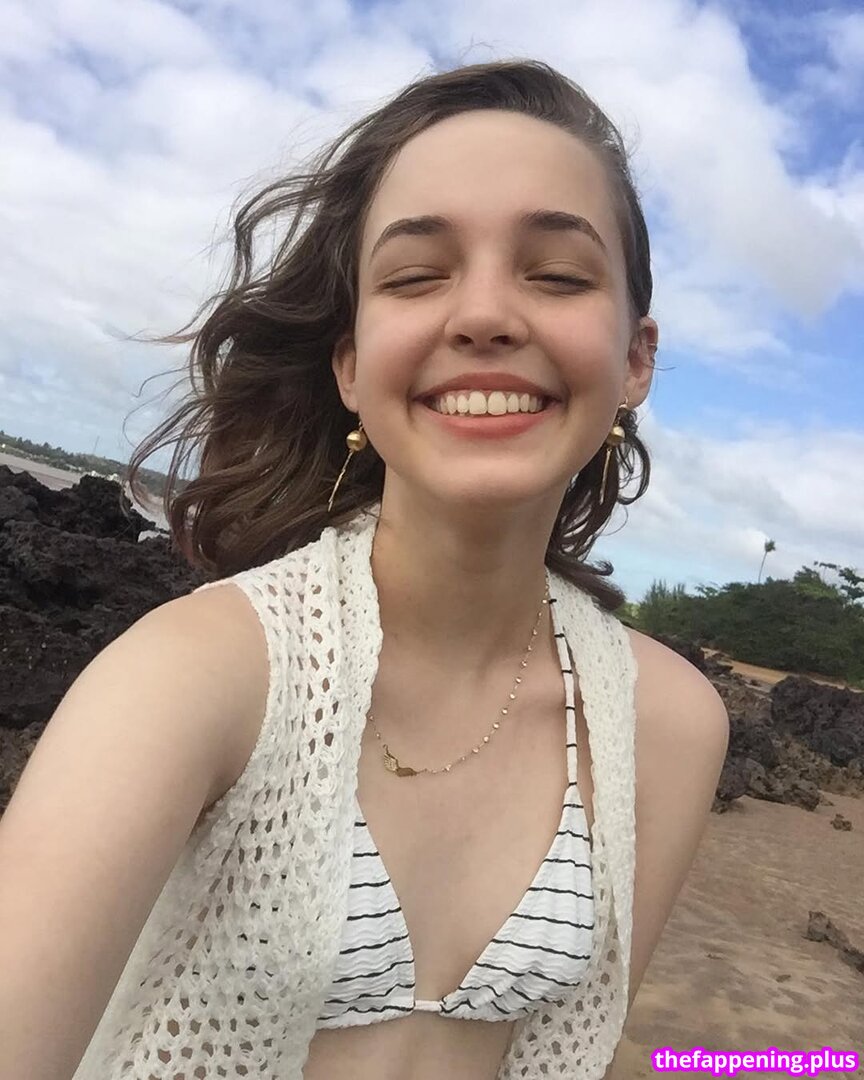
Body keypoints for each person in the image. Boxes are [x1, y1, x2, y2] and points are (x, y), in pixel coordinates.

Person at [0, 60, 729, 1080]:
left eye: (559, 275)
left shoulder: (671, 725)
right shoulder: (198, 678)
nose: (484, 315)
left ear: (635, 359)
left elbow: (585, 1047)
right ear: (350, 364)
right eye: (416, 276)